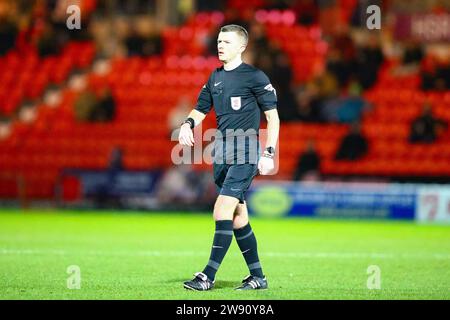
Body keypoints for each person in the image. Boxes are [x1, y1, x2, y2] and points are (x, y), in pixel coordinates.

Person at [178, 24, 279, 291]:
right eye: (219, 41)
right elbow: (200, 108)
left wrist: (269, 151)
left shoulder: (255, 77)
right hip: (222, 153)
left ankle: (207, 276)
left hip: (245, 151)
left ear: (242, 47)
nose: (220, 45)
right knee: (238, 216)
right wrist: (188, 125)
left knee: (221, 209)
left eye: (226, 41)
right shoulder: (215, 77)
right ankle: (258, 277)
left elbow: (273, 117)